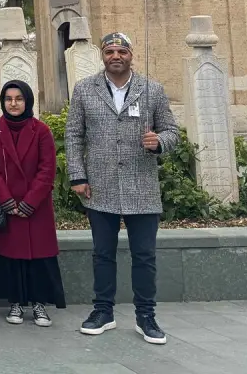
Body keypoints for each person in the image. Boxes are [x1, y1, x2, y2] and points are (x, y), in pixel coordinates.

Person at [66, 33, 180, 345]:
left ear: (131, 55)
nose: (115, 56)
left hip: (141, 186)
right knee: (102, 254)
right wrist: (77, 176)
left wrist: (159, 141)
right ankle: (103, 312)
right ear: (103, 56)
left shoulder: (152, 89)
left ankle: (146, 316)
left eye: (122, 51)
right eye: (110, 51)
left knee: (144, 256)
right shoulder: (84, 89)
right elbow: (74, 135)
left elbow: (172, 131)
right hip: (99, 186)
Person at [0, 80, 65, 327]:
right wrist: (6, 200)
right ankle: (15, 302)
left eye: (18, 99)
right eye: (8, 99)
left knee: (39, 257)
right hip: (7, 205)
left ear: (27, 101)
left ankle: (39, 304)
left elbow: (47, 169)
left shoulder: (41, 130)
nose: (13, 104)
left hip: (35, 207)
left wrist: (30, 202)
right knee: (11, 258)